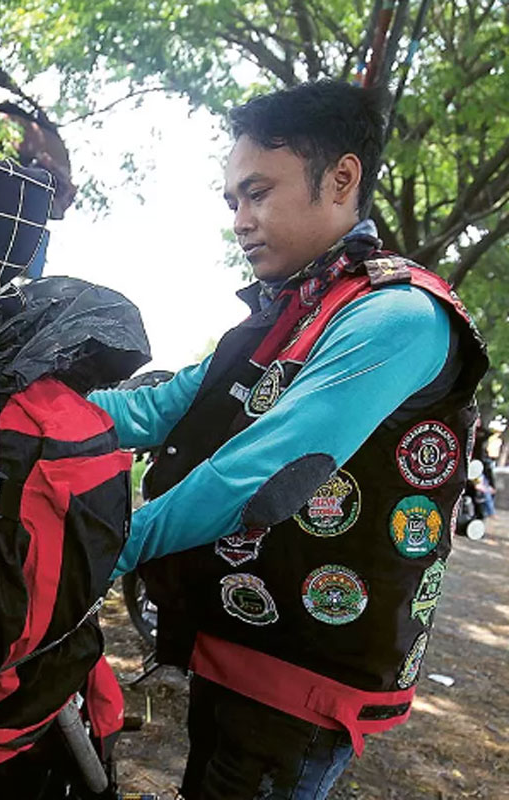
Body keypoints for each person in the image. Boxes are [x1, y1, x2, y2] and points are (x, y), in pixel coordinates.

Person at [89, 81, 488, 800]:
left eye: (258, 193)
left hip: (307, 678)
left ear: (341, 179)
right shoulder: (291, 314)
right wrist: (9, 407)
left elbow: (264, 470)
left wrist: (102, 543)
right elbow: (155, 411)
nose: (240, 220)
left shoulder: (398, 316)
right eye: (232, 202)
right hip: (236, 642)